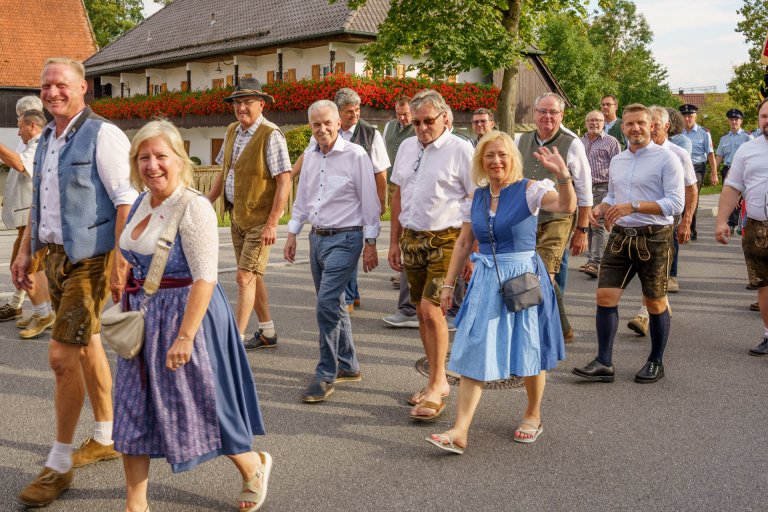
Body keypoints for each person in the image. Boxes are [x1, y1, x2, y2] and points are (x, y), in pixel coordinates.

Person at [113, 119, 270, 512]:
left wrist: (184, 337)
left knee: (201, 402)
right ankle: (136, 503)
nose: (152, 165)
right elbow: (132, 255)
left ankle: (253, 465)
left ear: (179, 160)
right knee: (133, 405)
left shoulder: (193, 205)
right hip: (145, 315)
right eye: (144, 157)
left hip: (189, 316)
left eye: (161, 156)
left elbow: (205, 279)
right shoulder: (139, 202)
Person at [14, 58, 135, 507]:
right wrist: (28, 249)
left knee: (61, 355)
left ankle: (58, 463)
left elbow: (126, 201)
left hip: (93, 257)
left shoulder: (103, 134)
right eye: (46, 86)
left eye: (60, 85)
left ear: (83, 87)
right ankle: (105, 436)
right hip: (56, 256)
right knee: (87, 346)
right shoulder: (46, 136)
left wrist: (121, 260)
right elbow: (38, 203)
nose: (52, 93)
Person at [425, 131, 574, 454]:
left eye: (503, 155)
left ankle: (533, 414)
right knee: (475, 348)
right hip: (486, 280)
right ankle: (460, 430)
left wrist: (563, 176)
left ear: (513, 159)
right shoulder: (475, 198)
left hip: (522, 277)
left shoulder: (531, 190)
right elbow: (464, 243)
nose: (496, 161)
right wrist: (449, 284)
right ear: (481, 161)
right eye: (490, 155)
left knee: (529, 348)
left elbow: (565, 205)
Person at [573, 104, 683, 384]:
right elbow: (612, 195)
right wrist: (600, 208)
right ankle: (604, 362)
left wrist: (632, 206)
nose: (635, 128)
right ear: (622, 128)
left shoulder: (666, 159)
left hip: (654, 237)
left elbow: (675, 203)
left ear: (652, 126)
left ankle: (656, 361)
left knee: (656, 303)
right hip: (621, 236)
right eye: (630, 124)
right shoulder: (619, 160)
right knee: (605, 298)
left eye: (641, 124)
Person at [284, 100, 380, 403]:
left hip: (347, 238)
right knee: (334, 304)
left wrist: (371, 242)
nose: (322, 129)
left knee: (325, 304)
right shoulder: (311, 156)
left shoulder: (356, 155)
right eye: (316, 124)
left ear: (339, 123)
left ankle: (326, 373)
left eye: (327, 122)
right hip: (317, 239)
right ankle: (349, 366)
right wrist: (292, 234)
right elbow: (302, 199)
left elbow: (370, 200)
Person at [388, 90, 475, 420]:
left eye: (429, 121)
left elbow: (474, 198)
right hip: (413, 238)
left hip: (449, 238)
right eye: (417, 121)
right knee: (421, 313)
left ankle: (438, 384)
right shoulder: (408, 147)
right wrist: (394, 241)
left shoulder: (460, 150)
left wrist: (471, 249)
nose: (422, 127)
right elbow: (398, 194)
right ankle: (434, 379)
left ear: (445, 118)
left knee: (431, 307)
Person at [208, 78, 292, 350]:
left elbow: (284, 181)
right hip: (237, 217)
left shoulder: (271, 134)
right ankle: (267, 331)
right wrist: (206, 201)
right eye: (237, 102)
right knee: (253, 276)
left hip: (259, 220)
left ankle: (236, 338)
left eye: (247, 102)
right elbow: (224, 172)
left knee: (244, 277)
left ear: (261, 104)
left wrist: (272, 224)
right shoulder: (233, 130)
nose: (241, 107)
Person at [518, 93, 592, 343]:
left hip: (559, 217)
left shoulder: (572, 143)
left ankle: (533, 333)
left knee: (542, 276)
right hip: (526, 217)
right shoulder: (522, 139)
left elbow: (584, 189)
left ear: (562, 115)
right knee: (529, 273)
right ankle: (562, 329)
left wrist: (582, 229)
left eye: (553, 112)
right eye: (542, 111)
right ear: (535, 114)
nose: (547, 116)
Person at [627, 105, 698, 335]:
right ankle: (660, 305)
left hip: (666, 221)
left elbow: (691, 190)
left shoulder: (678, 154)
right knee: (652, 271)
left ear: (666, 126)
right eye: (650, 123)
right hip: (638, 222)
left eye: (656, 124)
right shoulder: (633, 151)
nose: (651, 127)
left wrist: (686, 222)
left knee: (654, 270)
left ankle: (645, 312)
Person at [715, 98, 768, 357]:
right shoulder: (748, 150)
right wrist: (722, 220)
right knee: (764, 285)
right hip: (758, 229)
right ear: (758, 120)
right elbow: (732, 186)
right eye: (765, 116)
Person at [0, 107, 55, 338]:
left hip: (32, 216)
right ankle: (36, 310)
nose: (18, 131)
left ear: (33, 125)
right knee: (33, 266)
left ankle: (44, 313)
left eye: (21, 125)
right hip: (28, 216)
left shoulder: (40, 143)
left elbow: (21, 165)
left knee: (24, 265)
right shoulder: (33, 144)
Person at [579, 110, 621, 278]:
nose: (594, 123)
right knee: (588, 224)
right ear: (585, 123)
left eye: (598, 120)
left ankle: (595, 262)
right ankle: (592, 258)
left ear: (604, 123)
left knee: (597, 223)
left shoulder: (611, 142)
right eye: (590, 120)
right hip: (584, 188)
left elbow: (619, 167)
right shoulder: (579, 142)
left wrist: (616, 191)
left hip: (602, 186)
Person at [680, 103, 718, 240]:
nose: (687, 119)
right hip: (680, 167)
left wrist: (714, 173)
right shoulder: (678, 132)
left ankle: (690, 229)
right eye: (684, 116)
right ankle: (683, 225)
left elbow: (710, 154)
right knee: (682, 198)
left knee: (691, 197)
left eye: (690, 116)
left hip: (697, 168)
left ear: (695, 116)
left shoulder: (704, 133)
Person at [715, 109, 753, 232]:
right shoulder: (724, 138)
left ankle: (739, 221)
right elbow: (719, 155)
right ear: (728, 121)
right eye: (731, 120)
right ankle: (731, 222)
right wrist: (714, 171)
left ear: (741, 121)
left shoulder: (747, 137)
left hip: (743, 170)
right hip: (728, 170)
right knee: (729, 195)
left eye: (736, 119)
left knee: (741, 197)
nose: (734, 122)